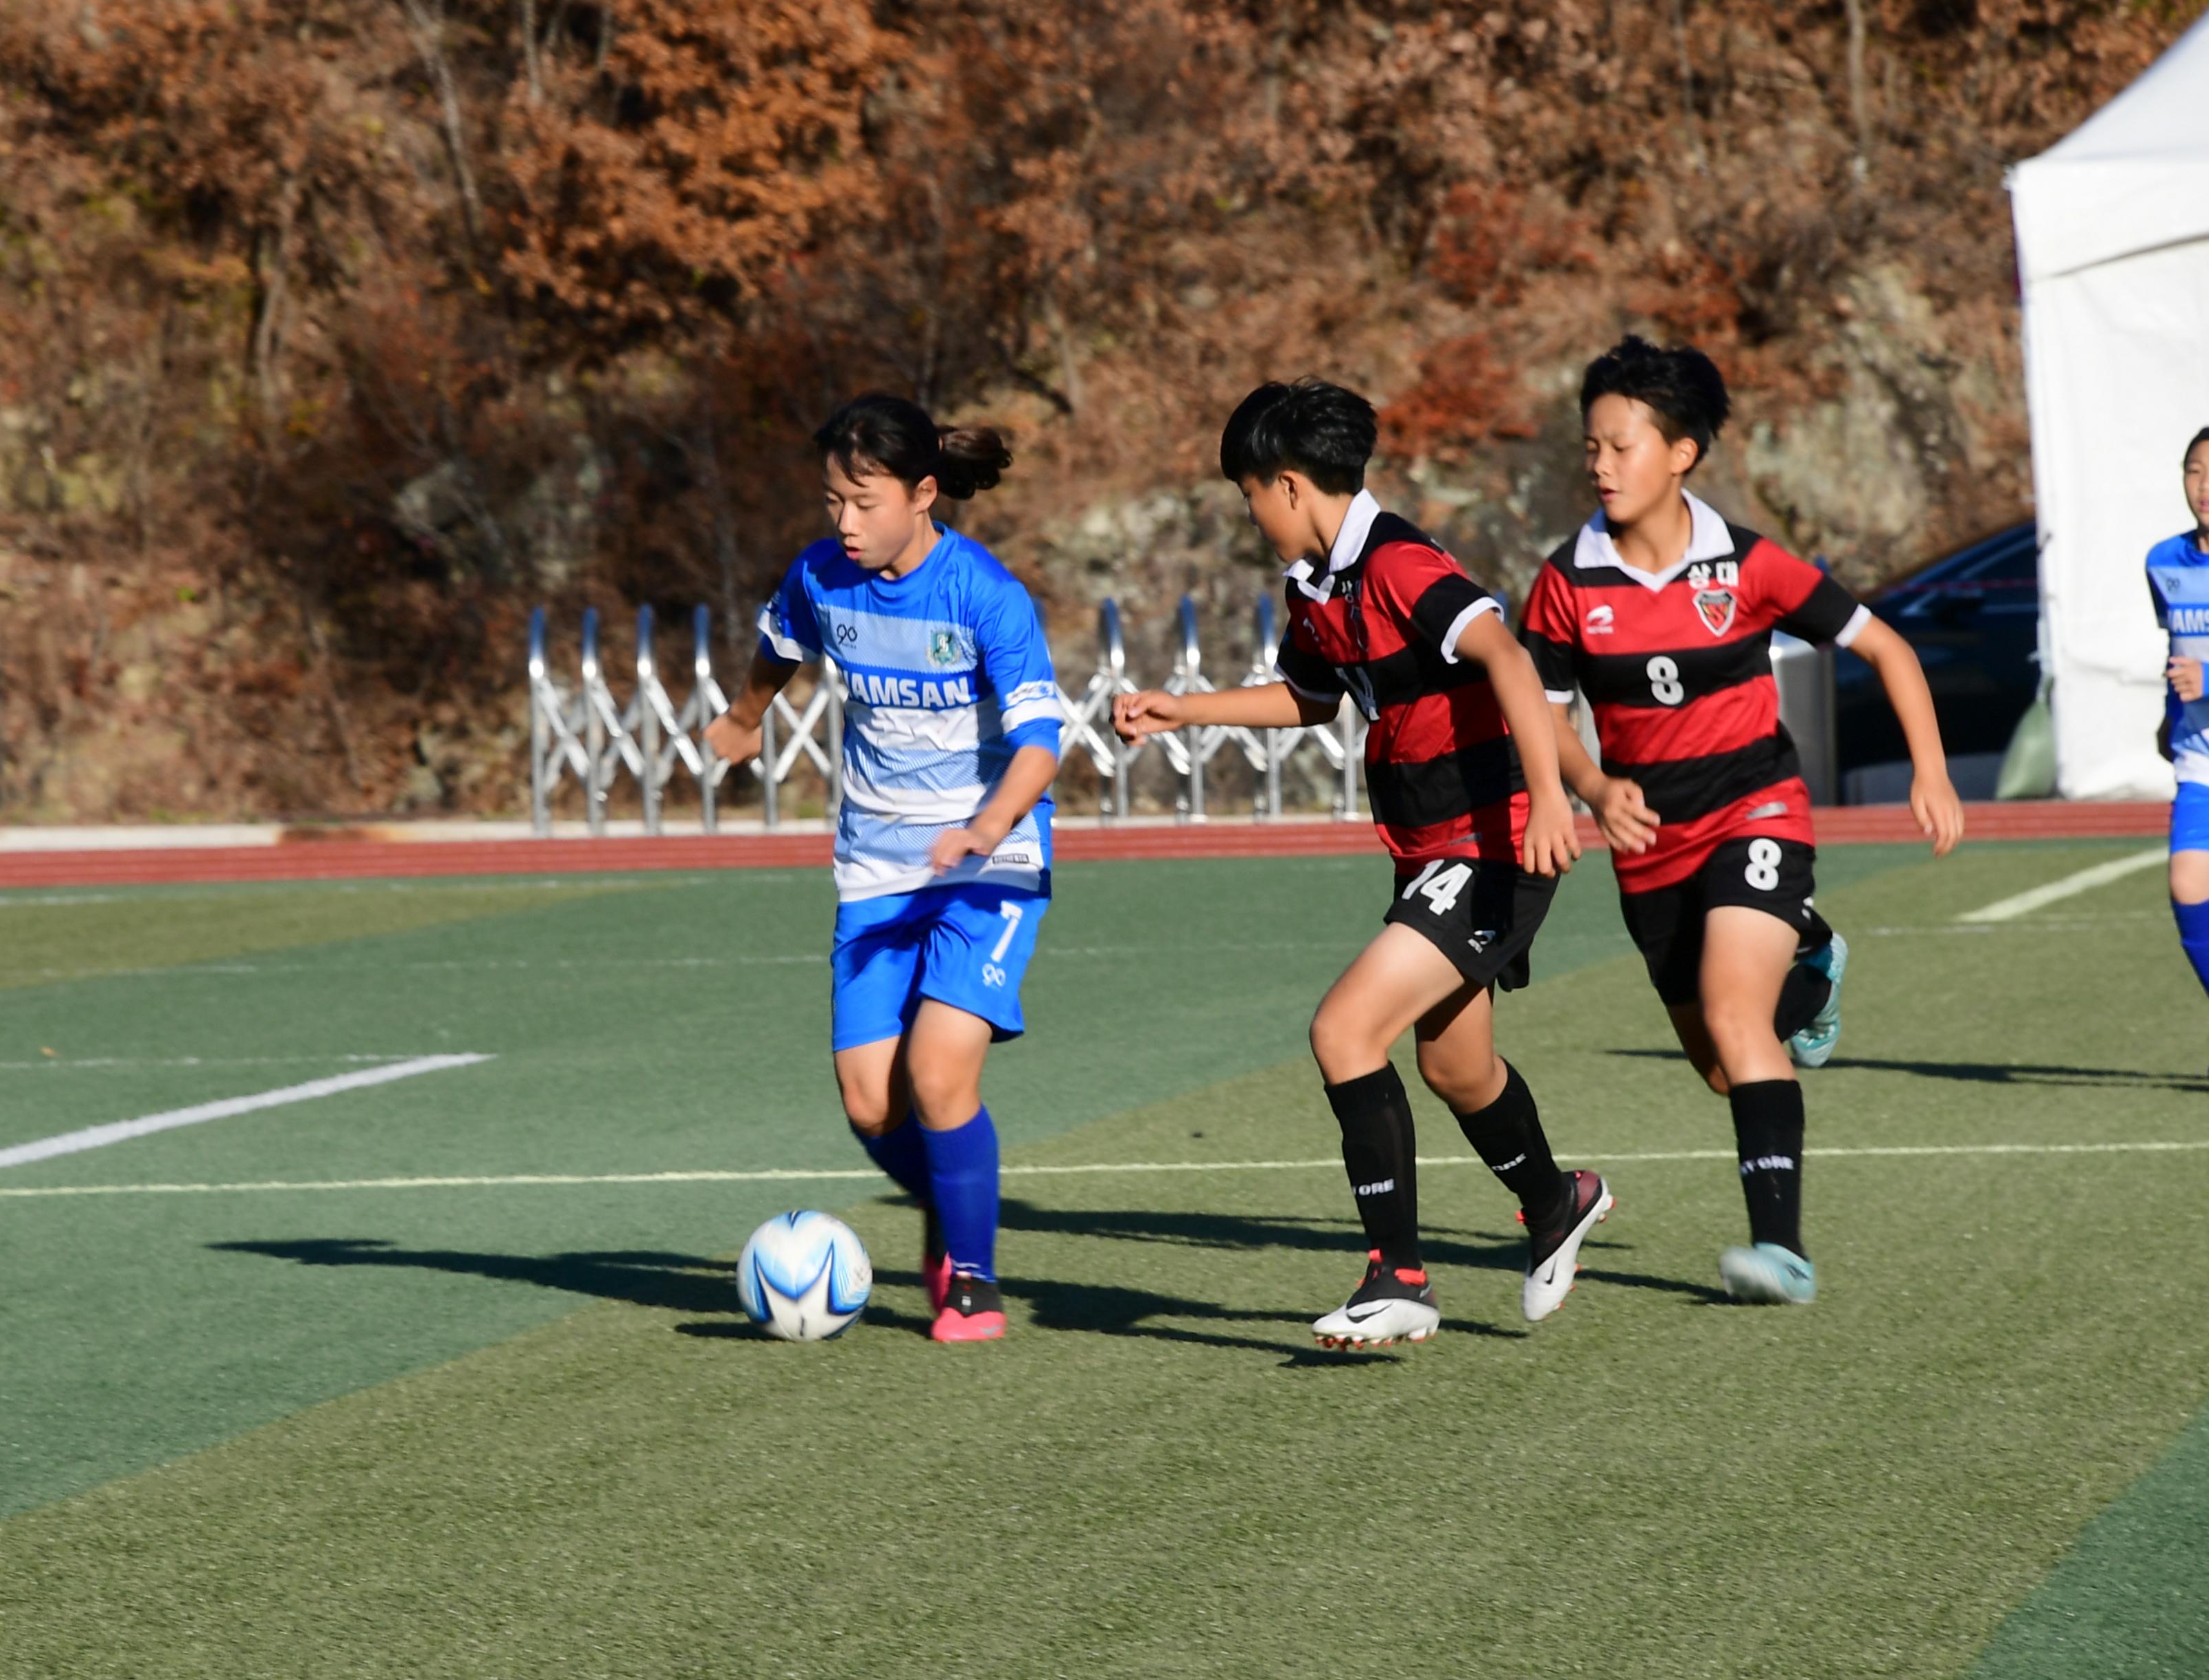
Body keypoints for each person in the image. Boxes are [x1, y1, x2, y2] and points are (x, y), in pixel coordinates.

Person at [1116, 378, 1607, 1350]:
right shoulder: (1319, 587)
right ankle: (1558, 1203)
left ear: (1291, 487)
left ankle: (1401, 1277)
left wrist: (1555, 797)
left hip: (1493, 837)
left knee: (1345, 1032)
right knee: (1457, 1067)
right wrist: (1188, 708)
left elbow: (1508, 658)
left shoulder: (1398, 564)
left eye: (1250, 493)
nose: (1250, 514)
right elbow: (1310, 700)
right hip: (1430, 848)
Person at [1519, 336, 1963, 1307]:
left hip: (1756, 811)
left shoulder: (1748, 565)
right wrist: (1592, 788)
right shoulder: (1565, 585)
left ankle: (1781, 1254)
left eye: (1620, 445)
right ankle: (1816, 963)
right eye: (1590, 446)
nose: (1600, 464)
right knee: (1725, 1067)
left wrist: (1930, 772)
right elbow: (1542, 715)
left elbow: (1885, 645)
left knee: (1732, 1010)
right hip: (1648, 849)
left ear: (1680, 453)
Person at [705, 393, 1062, 1344]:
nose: (845, 522)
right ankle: (955, 1197)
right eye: (833, 502)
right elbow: (778, 645)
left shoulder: (984, 594)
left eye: (865, 503)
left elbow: (1040, 745)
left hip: (991, 856)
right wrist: (746, 720)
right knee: (870, 1101)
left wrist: (984, 827)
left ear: (924, 494)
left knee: (941, 1073)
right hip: (876, 863)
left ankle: (972, 1280)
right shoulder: (823, 578)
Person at [2146, 426, 2209, 1012]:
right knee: (2187, 884)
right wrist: (2171, 717)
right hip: (2202, 758)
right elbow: (2177, 648)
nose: (2205, 485)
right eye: (2194, 470)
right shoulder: (2164, 561)